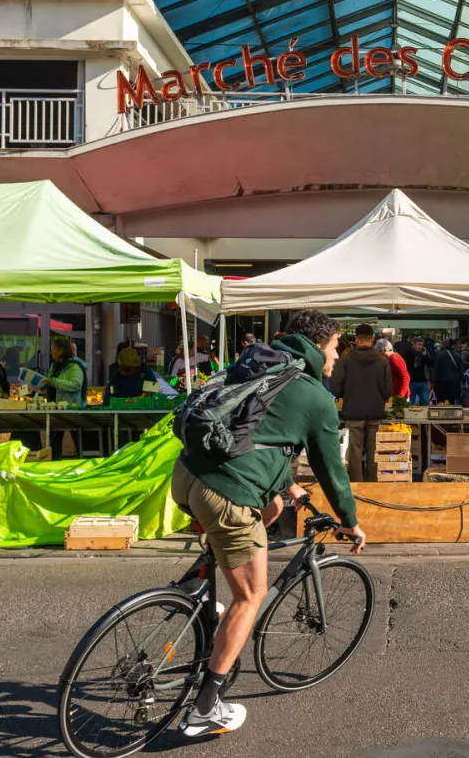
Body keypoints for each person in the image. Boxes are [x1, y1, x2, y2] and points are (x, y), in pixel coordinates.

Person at [171, 309, 365, 738]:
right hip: (226, 493)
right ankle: (205, 708)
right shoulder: (315, 396)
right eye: (335, 348)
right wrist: (350, 521)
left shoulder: (260, 362)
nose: (336, 357)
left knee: (272, 509)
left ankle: (197, 587)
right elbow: (333, 470)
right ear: (320, 345)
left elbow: (257, 433)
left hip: (186, 475)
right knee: (251, 595)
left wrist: (289, 486)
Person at [330, 324, 393, 482]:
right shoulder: (382, 361)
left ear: (356, 339)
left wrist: (347, 394)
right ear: (372, 339)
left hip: (353, 412)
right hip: (375, 412)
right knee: (374, 453)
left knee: (355, 454)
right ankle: (373, 485)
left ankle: (357, 486)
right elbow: (388, 391)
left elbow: (335, 387)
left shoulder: (346, 359)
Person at [43, 335, 89, 401]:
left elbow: (76, 385)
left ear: (61, 350)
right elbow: (50, 383)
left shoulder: (74, 366)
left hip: (69, 409)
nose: (51, 352)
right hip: (54, 407)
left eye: (53, 349)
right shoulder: (54, 366)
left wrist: (53, 381)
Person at [432, 335, 464, 404]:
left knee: (441, 402)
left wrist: (434, 382)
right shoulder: (457, 356)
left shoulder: (439, 355)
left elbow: (436, 370)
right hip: (454, 383)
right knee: (452, 402)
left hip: (442, 383)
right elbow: (461, 371)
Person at [405, 337, 432, 406]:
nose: (420, 347)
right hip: (412, 381)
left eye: (421, 345)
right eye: (418, 345)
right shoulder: (408, 354)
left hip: (422, 381)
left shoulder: (423, 354)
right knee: (411, 401)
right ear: (413, 345)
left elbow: (431, 364)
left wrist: (425, 355)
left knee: (425, 401)